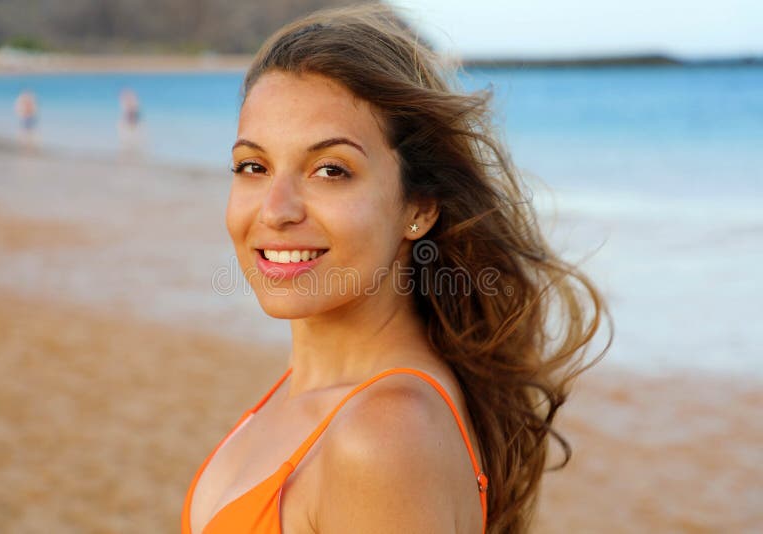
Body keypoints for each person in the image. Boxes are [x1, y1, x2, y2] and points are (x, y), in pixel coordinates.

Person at [183, 5, 611, 533]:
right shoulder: (314, 394)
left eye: (330, 170)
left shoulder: (383, 436)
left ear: (419, 207)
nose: (275, 209)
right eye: (254, 166)